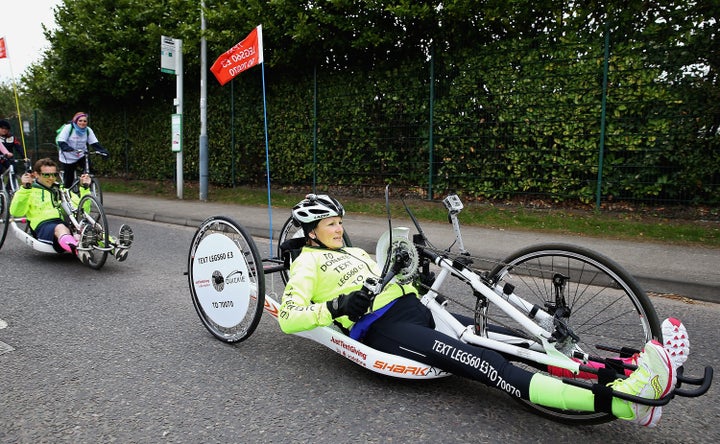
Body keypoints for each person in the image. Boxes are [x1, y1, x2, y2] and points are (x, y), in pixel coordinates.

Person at [278, 194, 691, 427]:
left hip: (415, 308)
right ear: (311, 232)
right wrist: (335, 306)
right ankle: (626, 403)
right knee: (491, 365)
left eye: (338, 222)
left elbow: (391, 273)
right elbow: (289, 317)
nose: (339, 228)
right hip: (382, 328)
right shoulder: (307, 265)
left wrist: (413, 273)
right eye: (330, 224)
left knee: (522, 344)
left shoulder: (355, 251)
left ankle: (628, 370)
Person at [10, 157, 133, 263]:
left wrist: (85, 188)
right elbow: (16, 212)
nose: (51, 178)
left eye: (54, 174)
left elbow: (82, 209)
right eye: (46, 175)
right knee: (60, 228)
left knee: (90, 227)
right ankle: (78, 249)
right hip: (44, 226)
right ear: (35, 175)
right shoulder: (28, 191)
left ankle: (115, 247)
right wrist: (25, 190)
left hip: (66, 222)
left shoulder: (61, 189)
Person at [56, 112, 109, 189]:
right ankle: (66, 193)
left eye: (85, 121)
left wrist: (103, 151)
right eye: (80, 120)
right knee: (68, 181)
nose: (82, 123)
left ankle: (86, 186)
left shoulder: (88, 130)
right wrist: (67, 148)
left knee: (89, 170)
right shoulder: (68, 128)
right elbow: (61, 141)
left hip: (81, 154)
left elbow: (94, 143)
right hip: (68, 157)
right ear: (75, 121)